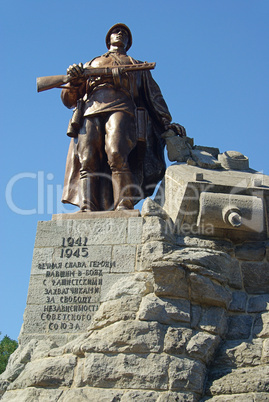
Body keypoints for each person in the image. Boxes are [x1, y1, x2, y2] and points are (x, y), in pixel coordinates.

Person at [61, 23, 186, 212]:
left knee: (117, 152)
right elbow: (68, 99)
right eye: (115, 31)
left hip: (121, 107)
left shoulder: (136, 65)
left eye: (124, 33)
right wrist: (74, 79)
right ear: (108, 39)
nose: (119, 34)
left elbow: (154, 96)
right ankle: (87, 206)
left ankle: (123, 203)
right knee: (87, 158)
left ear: (128, 42)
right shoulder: (91, 63)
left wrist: (166, 123)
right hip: (90, 110)